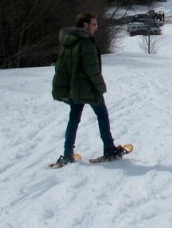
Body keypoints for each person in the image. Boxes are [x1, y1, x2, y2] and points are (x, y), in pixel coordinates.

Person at [51, 11, 125, 164]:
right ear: (85, 25)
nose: (96, 28)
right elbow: (92, 69)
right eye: (93, 24)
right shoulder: (86, 43)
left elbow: (60, 67)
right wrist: (100, 87)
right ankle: (109, 149)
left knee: (74, 118)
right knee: (102, 116)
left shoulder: (67, 42)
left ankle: (67, 153)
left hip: (73, 89)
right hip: (88, 89)